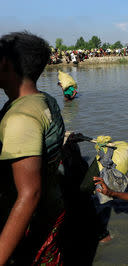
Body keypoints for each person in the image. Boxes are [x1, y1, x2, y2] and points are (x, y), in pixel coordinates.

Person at [0, 31, 66, 265]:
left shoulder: (21, 117)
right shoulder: (45, 99)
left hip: (28, 219)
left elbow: (29, 194)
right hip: (53, 206)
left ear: (5, 63)